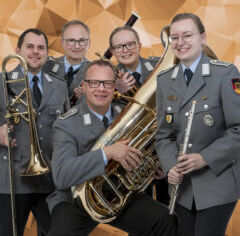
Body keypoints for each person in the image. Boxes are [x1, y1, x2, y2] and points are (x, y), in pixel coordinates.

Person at [47, 59, 178, 236]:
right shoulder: (66, 124)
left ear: (115, 86)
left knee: (166, 220)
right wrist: (107, 152)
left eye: (107, 83)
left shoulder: (128, 113)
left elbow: (139, 154)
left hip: (118, 194)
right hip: (73, 199)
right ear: (84, 86)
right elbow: (62, 176)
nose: (101, 89)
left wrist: (151, 168)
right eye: (94, 83)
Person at [155, 12, 240, 236]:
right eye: (174, 37)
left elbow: (238, 129)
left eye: (187, 35)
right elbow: (164, 135)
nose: (180, 42)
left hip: (217, 183)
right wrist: (170, 166)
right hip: (183, 188)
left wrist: (205, 158)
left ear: (203, 38)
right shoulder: (164, 80)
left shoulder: (225, 73)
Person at [0, 28, 70, 236]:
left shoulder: (59, 86)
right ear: (18, 49)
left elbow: (66, 127)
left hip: (49, 178)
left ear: (47, 53)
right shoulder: (1, 82)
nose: (35, 52)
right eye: (30, 46)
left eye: (41, 48)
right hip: (12, 179)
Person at [110, 25, 169, 205]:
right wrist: (115, 90)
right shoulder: (106, 76)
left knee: (172, 214)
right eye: (119, 47)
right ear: (112, 51)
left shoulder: (161, 66)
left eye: (130, 44)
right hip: (133, 153)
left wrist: (167, 160)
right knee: (139, 215)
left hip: (165, 149)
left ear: (139, 46)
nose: (125, 50)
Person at [45, 20, 91, 104]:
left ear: (89, 43)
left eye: (82, 41)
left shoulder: (97, 71)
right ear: (62, 42)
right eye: (71, 40)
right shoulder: (46, 66)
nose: (77, 46)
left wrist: (90, 100)